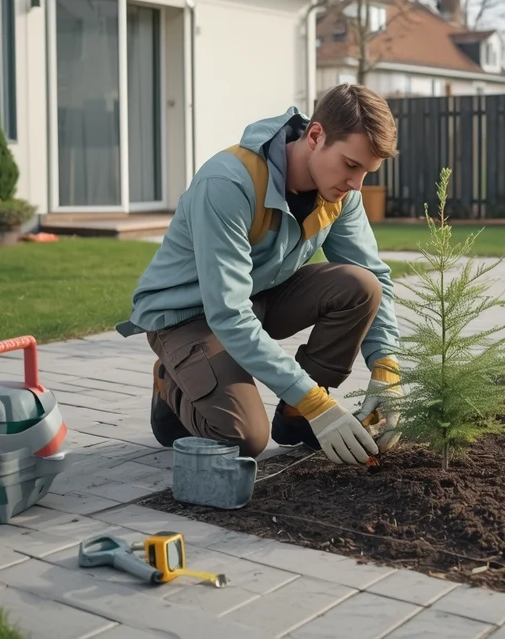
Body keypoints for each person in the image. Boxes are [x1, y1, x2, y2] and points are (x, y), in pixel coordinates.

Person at [115, 84, 403, 466]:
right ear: (315, 136)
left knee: (360, 286)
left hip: (257, 296)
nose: (356, 184)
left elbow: (373, 274)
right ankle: (171, 382)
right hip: (188, 316)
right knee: (244, 438)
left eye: (366, 172)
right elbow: (228, 312)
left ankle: (297, 417)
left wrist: (387, 366)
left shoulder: (340, 194)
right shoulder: (228, 183)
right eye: (351, 165)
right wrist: (318, 400)